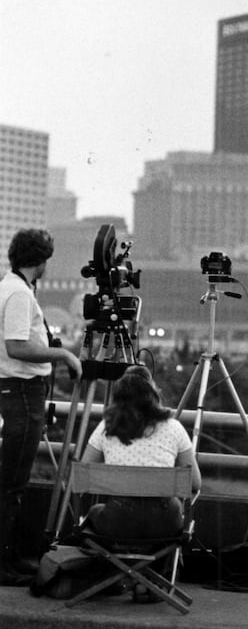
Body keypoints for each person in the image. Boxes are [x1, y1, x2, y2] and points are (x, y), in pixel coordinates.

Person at [0, 228, 83, 586]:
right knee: (11, 483)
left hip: (17, 390)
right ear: (40, 260)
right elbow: (17, 346)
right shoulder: (19, 293)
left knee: (12, 481)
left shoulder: (12, 287)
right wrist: (63, 355)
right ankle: (4, 564)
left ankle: (11, 558)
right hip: (22, 390)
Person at [82, 365, 202, 542]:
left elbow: (84, 474)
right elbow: (195, 483)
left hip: (119, 521)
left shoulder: (107, 427)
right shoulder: (174, 428)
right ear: (153, 394)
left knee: (94, 512)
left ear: (118, 398)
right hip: (165, 523)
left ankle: (110, 557)